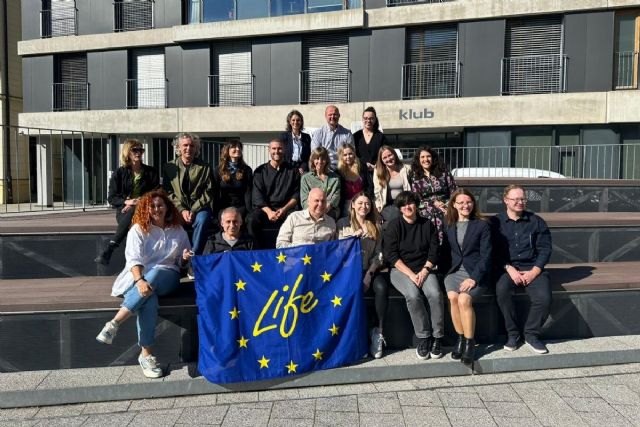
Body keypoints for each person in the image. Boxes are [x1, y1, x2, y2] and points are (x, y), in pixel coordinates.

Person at [96, 189, 191, 379]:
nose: (157, 209)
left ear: (167, 207)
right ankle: (146, 355)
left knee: (155, 276)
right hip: (140, 279)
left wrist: (185, 258)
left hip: (168, 277)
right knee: (149, 298)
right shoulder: (138, 229)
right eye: (152, 206)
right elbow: (133, 259)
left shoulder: (178, 230)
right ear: (146, 209)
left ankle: (115, 322)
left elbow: (182, 263)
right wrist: (139, 281)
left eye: (160, 205)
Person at [491, 185, 553, 354]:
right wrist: (508, 267)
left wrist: (535, 271)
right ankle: (513, 334)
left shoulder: (537, 221)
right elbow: (491, 251)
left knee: (544, 298)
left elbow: (545, 249)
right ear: (505, 200)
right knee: (502, 291)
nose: (520, 202)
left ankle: (531, 334)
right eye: (515, 199)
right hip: (506, 268)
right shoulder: (495, 223)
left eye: (523, 199)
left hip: (531, 267)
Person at [382, 191, 444, 360]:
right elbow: (391, 255)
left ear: (416, 205)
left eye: (410, 203)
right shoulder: (394, 226)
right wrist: (411, 274)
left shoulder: (427, 224)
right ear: (400, 209)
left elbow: (434, 251)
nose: (407, 207)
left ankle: (437, 336)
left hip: (424, 268)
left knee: (435, 294)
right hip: (401, 270)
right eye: (403, 205)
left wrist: (424, 271)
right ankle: (424, 337)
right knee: (413, 295)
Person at [337, 192, 389, 359]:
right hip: (348, 272)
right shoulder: (342, 224)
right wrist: (351, 239)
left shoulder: (375, 226)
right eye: (360, 203)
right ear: (352, 205)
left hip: (370, 269)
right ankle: (355, 337)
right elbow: (336, 250)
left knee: (381, 287)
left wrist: (369, 274)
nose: (363, 207)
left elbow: (379, 254)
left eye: (367, 204)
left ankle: (378, 332)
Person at [443, 188, 492, 365]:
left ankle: (470, 343)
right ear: (454, 205)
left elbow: (487, 256)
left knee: (464, 300)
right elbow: (445, 252)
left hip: (476, 273)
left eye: (468, 202)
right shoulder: (449, 224)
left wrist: (474, 278)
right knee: (453, 297)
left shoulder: (482, 225)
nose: (465, 205)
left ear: (473, 204)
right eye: (461, 202)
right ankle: (461, 339)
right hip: (455, 271)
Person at [95, 139, 159, 265]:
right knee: (133, 215)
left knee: (136, 211)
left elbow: (156, 193)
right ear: (127, 152)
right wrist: (127, 202)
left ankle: (111, 248)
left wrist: (138, 202)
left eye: (141, 150)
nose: (138, 153)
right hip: (124, 212)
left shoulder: (151, 172)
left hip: (146, 209)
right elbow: (111, 198)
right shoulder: (119, 173)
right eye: (135, 150)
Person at [162, 132, 214, 255]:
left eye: (192, 146)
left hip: (200, 207)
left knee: (203, 220)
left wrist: (194, 210)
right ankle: (174, 257)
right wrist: (182, 210)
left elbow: (209, 191)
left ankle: (194, 256)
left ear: (196, 148)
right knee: (170, 221)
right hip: (177, 207)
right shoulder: (169, 167)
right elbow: (168, 191)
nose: (188, 148)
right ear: (178, 147)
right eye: (185, 145)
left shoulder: (205, 167)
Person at [246, 138, 300, 248]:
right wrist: (269, 212)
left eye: (279, 148)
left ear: (284, 150)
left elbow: (296, 194)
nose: (277, 151)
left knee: (297, 218)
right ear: (269, 150)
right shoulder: (260, 171)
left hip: (286, 209)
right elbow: (257, 196)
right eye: (274, 148)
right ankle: (257, 252)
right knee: (251, 219)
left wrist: (284, 209)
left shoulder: (293, 171)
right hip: (265, 210)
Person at [411, 145, 457, 244]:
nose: (426, 159)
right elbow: (417, 199)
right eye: (422, 157)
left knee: (449, 241)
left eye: (428, 156)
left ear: (433, 158)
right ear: (418, 160)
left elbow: (454, 192)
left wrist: (447, 204)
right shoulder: (415, 177)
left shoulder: (444, 173)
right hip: (427, 214)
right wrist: (433, 203)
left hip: (446, 211)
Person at [212, 140, 253, 220]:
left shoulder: (247, 170)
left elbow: (248, 192)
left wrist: (249, 211)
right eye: (234, 147)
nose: (237, 149)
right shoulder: (218, 170)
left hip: (241, 207)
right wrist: (215, 212)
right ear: (227, 150)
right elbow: (215, 193)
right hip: (223, 207)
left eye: (239, 147)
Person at [373, 145, 412, 224]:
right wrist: (378, 208)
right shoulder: (378, 171)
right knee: (394, 216)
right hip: (388, 204)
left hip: (404, 202)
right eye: (385, 158)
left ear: (394, 154)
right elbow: (377, 191)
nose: (388, 159)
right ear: (381, 160)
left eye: (390, 155)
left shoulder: (406, 168)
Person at [300, 147, 341, 220]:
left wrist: (327, 208)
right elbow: (304, 200)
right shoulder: (305, 178)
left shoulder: (335, 178)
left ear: (327, 160)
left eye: (323, 159)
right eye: (317, 158)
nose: (320, 161)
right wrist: (314, 212)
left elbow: (335, 197)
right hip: (311, 212)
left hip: (329, 211)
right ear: (312, 160)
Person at [336, 143, 371, 219]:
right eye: (345, 155)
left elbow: (369, 185)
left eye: (350, 154)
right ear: (341, 157)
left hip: (362, 203)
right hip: (346, 205)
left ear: (354, 154)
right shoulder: (338, 172)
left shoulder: (362, 167)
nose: (348, 157)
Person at [353, 106, 387, 173]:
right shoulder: (355, 136)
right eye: (366, 118)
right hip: (359, 172)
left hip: (377, 172)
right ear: (362, 119)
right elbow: (353, 155)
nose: (368, 121)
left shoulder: (381, 137)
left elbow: (385, 154)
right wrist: (363, 165)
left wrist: (376, 166)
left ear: (375, 120)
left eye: (371, 118)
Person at [281, 110, 311, 174]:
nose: (296, 122)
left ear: (301, 122)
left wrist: (303, 167)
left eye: (298, 120)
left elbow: (308, 156)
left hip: (302, 170)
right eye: (293, 120)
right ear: (289, 122)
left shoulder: (307, 137)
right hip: (287, 169)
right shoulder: (284, 137)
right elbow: (282, 155)